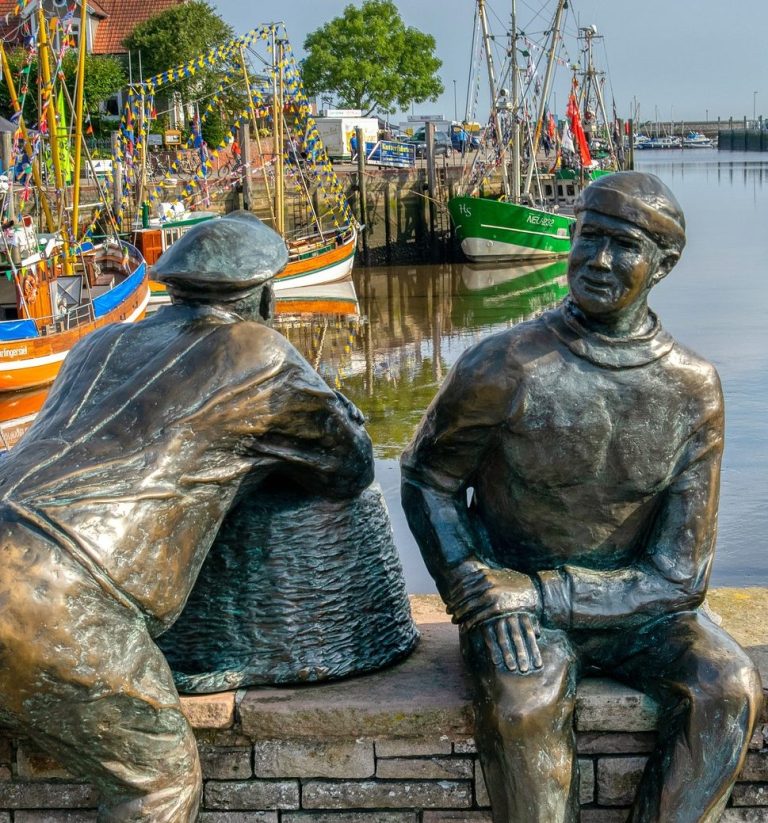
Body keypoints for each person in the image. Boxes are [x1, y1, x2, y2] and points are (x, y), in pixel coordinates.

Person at [401, 172, 762, 823]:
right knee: (525, 704)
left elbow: (681, 576)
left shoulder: (692, 389)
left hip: (635, 609)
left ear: (663, 264)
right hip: (518, 607)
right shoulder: (502, 365)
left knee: (728, 685)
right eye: (588, 237)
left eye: (623, 245)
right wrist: (472, 583)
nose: (597, 260)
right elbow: (429, 479)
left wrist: (539, 591)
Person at [0, 212, 374, 821]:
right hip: (52, 591)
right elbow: (351, 464)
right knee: (158, 784)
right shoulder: (258, 352)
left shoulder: (103, 341)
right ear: (265, 295)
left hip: (18, 537)